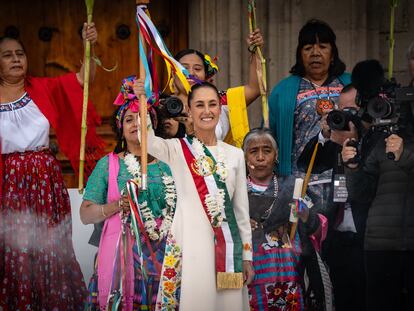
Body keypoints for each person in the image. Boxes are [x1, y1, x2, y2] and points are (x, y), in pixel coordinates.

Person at [0, 23, 103, 310]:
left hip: (45, 181)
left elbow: (84, 79)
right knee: (14, 249)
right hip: (7, 183)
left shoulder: (44, 87)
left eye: (20, 53)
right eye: (7, 55)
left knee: (49, 247)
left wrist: (89, 45)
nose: (16, 58)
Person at [134, 80, 254, 310]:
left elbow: (241, 211)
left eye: (212, 104)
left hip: (228, 251)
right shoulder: (177, 149)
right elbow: (145, 138)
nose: (207, 111)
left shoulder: (236, 154)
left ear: (220, 108)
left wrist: (247, 255)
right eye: (199, 105)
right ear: (189, 110)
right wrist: (142, 102)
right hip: (191, 246)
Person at [80, 76, 176, 310]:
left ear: (153, 127)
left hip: (165, 258)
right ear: (120, 129)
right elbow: (85, 214)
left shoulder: (171, 163)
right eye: (129, 119)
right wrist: (117, 205)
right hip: (120, 259)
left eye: (143, 118)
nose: (136, 123)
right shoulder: (109, 164)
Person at [341, 63, 414, 310]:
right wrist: (351, 167)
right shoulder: (383, 141)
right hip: (380, 246)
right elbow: (362, 192)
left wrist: (405, 156)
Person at [298, 84, 370, 311]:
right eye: (341, 110)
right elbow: (307, 162)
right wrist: (325, 134)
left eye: (351, 111)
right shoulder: (336, 141)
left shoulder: (376, 142)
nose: (346, 116)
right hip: (338, 235)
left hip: (366, 236)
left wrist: (356, 143)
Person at [268, 19, 351, 215]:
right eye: (308, 48)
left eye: (322, 46)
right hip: (300, 182)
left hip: (343, 175)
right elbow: (272, 135)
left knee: (343, 235)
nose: (315, 53)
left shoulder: (349, 84)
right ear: (300, 54)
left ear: (332, 54)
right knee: (303, 236)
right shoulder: (283, 90)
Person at [243, 128, 321, 311]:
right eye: (254, 151)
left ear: (276, 155)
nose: (260, 157)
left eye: (267, 151)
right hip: (249, 279)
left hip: (288, 277)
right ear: (245, 156)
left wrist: (305, 214)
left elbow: (317, 229)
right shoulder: (233, 191)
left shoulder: (292, 187)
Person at [167, 28, 263, 143]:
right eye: (184, 68)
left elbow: (255, 88)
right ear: (173, 73)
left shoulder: (219, 100)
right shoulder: (162, 105)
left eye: (197, 68)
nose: (191, 73)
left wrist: (255, 51)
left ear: (206, 75)